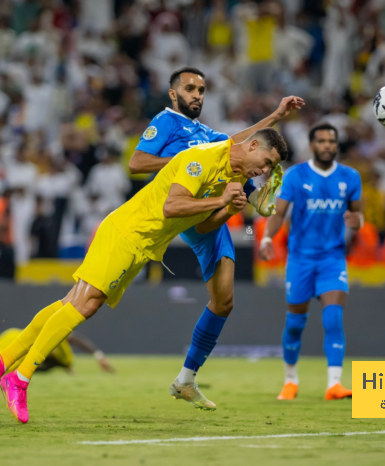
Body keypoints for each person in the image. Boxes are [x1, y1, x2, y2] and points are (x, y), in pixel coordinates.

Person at [0, 128, 288, 423]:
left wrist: (230, 208)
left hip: (143, 242)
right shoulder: (204, 158)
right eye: (266, 162)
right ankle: (20, 378)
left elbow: (203, 225)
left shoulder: (228, 175)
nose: (264, 171)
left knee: (72, 302)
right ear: (252, 145)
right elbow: (171, 206)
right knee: (84, 305)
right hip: (128, 233)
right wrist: (221, 199)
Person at [128, 67, 303, 410]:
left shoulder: (203, 131)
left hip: (213, 208)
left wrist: (276, 116)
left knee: (224, 301)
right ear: (173, 93)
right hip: (189, 200)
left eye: (202, 90)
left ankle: (186, 379)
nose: (197, 94)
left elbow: (240, 144)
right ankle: (256, 199)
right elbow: (136, 163)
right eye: (190, 88)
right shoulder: (166, 121)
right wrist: (186, 161)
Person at [259, 123, 363, 401]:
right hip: (300, 259)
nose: (327, 145)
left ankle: (334, 384)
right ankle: (290, 380)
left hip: (332, 258)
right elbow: (279, 213)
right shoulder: (295, 176)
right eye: (321, 141)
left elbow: (357, 215)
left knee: (333, 317)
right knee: (295, 323)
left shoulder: (350, 177)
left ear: (337, 145)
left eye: (332, 141)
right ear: (312, 145)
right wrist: (267, 238)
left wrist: (358, 222)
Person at [0, 329, 115, 374]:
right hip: (15, 343)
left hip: (13, 352)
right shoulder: (61, 353)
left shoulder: (30, 357)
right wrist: (98, 356)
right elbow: (74, 338)